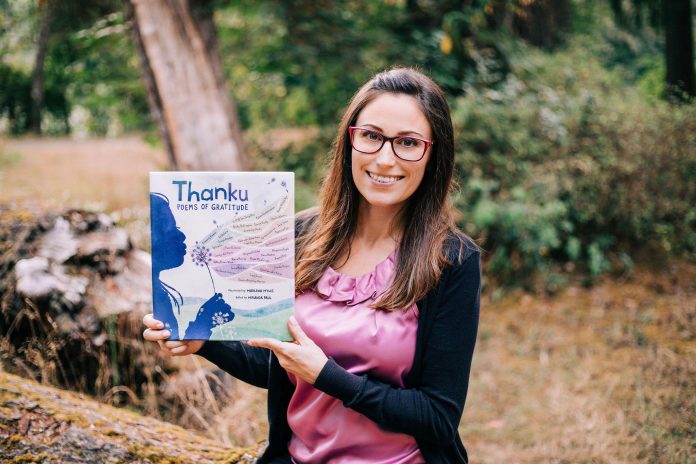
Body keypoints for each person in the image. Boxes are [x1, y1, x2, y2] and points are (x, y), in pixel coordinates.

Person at [143, 67, 482, 463]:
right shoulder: (299, 233)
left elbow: (439, 417)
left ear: (433, 153)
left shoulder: (451, 260)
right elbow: (281, 365)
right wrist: (206, 344)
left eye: (408, 142)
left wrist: (327, 376)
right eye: (371, 136)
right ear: (349, 141)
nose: (385, 159)